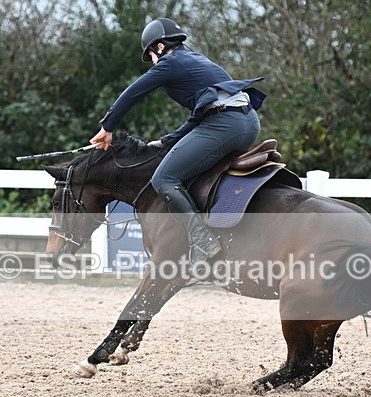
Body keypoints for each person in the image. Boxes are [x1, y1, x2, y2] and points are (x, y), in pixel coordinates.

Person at [90, 17, 266, 266]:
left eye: (150, 54)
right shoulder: (195, 59)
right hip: (248, 124)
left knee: (164, 178)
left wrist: (107, 126)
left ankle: (202, 241)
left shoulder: (170, 62)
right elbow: (200, 117)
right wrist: (166, 142)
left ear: (159, 47)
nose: (152, 61)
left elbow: (133, 92)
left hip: (225, 125)